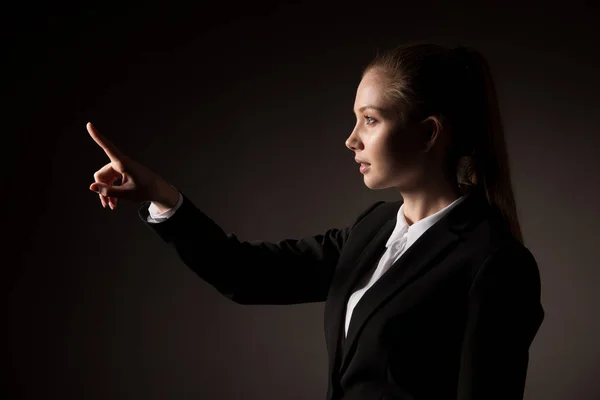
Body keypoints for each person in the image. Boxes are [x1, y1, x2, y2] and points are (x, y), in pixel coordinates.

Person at [88, 42, 545, 400]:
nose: (351, 140)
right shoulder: (372, 229)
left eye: (369, 120)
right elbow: (245, 275)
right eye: (355, 120)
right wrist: (159, 195)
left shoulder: (494, 260)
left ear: (427, 132)